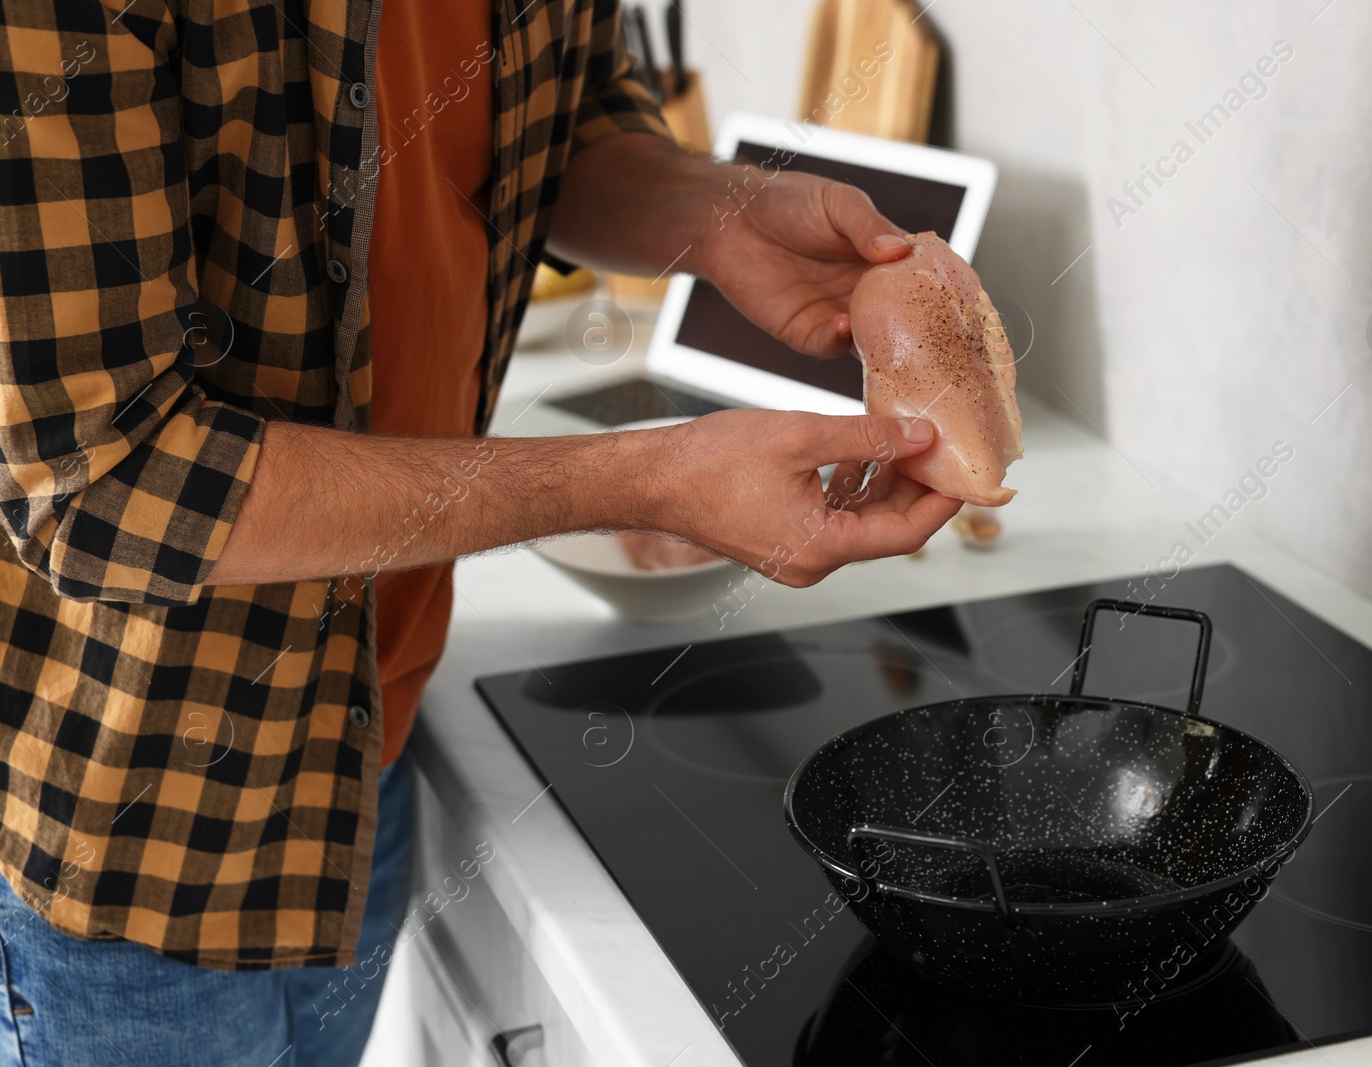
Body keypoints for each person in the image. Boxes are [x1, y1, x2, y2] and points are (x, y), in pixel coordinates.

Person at [0, 0, 959, 1062]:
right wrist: (652, 476)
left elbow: (568, 119)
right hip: (129, 833)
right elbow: (105, 482)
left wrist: (723, 212)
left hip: (367, 741)